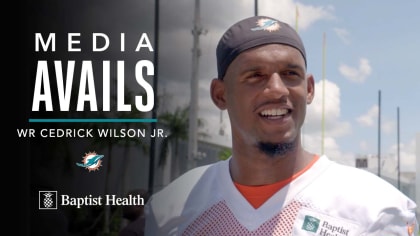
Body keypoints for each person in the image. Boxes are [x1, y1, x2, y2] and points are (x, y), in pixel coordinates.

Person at [144, 15, 419, 235]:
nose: (277, 90)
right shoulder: (174, 208)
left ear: (309, 89)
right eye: (255, 76)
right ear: (220, 95)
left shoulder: (374, 208)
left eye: (290, 74)